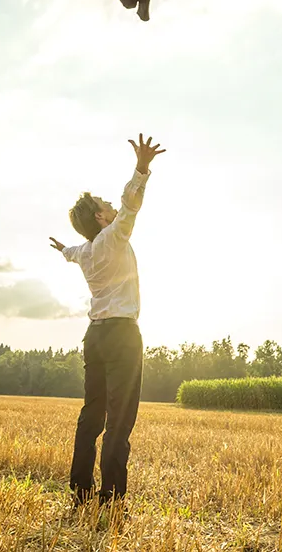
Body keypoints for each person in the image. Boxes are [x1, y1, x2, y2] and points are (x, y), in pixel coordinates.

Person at [49, 134, 166, 508]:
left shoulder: (84, 251)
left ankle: (80, 487)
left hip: (94, 337)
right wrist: (142, 170)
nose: (113, 206)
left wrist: (61, 249)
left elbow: (70, 252)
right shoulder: (113, 237)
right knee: (119, 418)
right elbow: (132, 203)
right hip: (121, 337)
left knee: (92, 413)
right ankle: (111, 496)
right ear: (101, 218)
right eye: (106, 205)